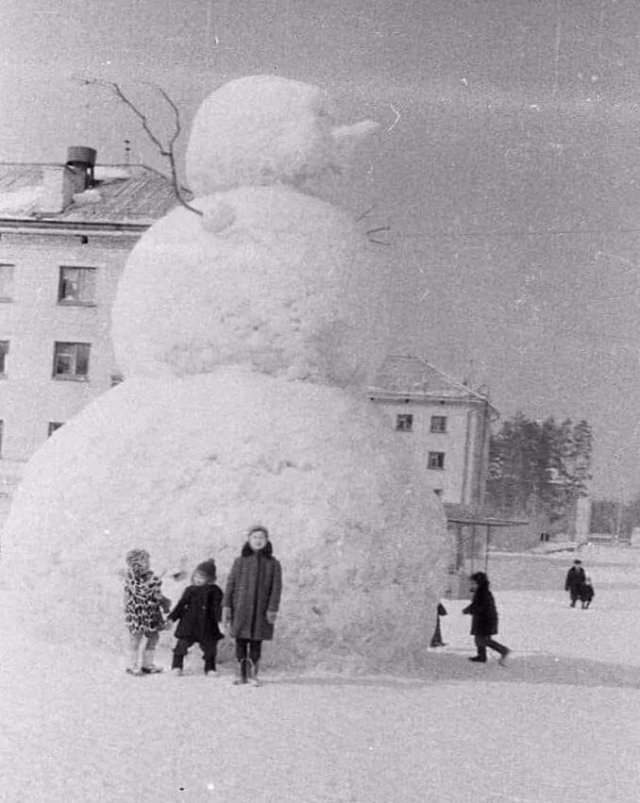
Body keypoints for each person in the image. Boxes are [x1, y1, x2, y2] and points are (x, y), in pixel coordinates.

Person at [223, 525, 283, 686]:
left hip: (261, 611)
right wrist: (227, 605)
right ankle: (240, 673)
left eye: (261, 538)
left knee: (256, 641)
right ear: (249, 540)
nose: (258, 541)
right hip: (241, 609)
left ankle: (253, 674)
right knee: (240, 641)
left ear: (266, 541)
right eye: (255, 537)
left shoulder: (273, 564)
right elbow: (231, 584)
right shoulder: (240, 562)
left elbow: (276, 588)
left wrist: (272, 608)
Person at [167, 559, 224, 676]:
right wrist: (172, 618)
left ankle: (210, 668)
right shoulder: (190, 590)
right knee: (181, 645)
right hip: (189, 624)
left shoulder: (215, 591)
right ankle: (177, 666)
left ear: (210, 579)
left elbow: (217, 607)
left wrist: (220, 622)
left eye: (202, 577)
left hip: (208, 625)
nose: (198, 580)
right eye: (196, 576)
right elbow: (181, 605)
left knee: (210, 648)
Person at [124, 548, 171, 675]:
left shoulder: (149, 575)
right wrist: (155, 581)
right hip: (137, 614)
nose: (148, 563)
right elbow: (141, 590)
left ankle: (147, 664)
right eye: (145, 561)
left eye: (147, 561)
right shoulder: (131, 577)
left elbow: (155, 592)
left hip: (151, 613)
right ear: (135, 563)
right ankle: (132, 665)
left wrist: (162, 600)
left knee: (154, 637)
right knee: (136, 638)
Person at [463, 571, 510, 665]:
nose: (471, 585)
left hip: (486, 620)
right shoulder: (481, 592)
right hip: (484, 619)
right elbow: (477, 605)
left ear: (478, 583)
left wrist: (469, 610)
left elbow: (480, 606)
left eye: (473, 583)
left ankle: (503, 650)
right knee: (479, 638)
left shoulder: (482, 593)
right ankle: (481, 656)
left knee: (483, 639)